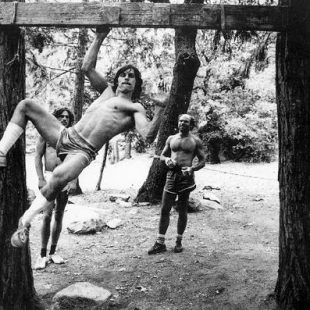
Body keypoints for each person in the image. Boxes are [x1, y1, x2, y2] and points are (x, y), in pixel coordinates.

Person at [0, 27, 165, 248]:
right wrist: (100, 36)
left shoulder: (135, 108)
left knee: (57, 178)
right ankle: (1, 152)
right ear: (116, 79)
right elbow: (86, 67)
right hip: (67, 134)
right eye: (123, 74)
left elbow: (148, 135)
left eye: (132, 76)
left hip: (83, 151)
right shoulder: (107, 91)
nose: (127, 77)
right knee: (26, 106)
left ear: (136, 84)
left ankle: (25, 221)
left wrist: (161, 109)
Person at [148, 114, 206, 255]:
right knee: (164, 209)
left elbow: (203, 160)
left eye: (185, 121)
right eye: (180, 121)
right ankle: (160, 243)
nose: (182, 123)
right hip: (171, 176)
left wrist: (192, 168)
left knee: (182, 209)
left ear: (190, 124)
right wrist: (166, 159)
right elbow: (161, 155)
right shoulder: (171, 139)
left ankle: (178, 241)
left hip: (186, 178)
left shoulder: (195, 141)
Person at [34, 107, 74, 270]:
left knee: (59, 215)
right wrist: (41, 178)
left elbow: (75, 158)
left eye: (67, 117)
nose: (64, 119)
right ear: (55, 118)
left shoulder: (71, 136)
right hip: (50, 176)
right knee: (47, 215)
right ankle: (42, 254)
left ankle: (53, 252)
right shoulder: (45, 133)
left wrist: (73, 180)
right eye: (61, 116)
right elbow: (37, 156)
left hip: (65, 177)